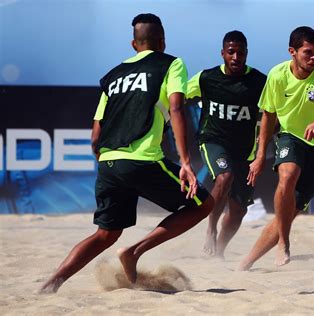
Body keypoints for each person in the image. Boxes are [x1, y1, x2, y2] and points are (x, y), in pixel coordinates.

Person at [40, 13, 214, 293]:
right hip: (143, 159)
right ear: (163, 41)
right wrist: (185, 161)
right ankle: (134, 251)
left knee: (105, 234)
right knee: (204, 204)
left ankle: (52, 284)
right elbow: (178, 109)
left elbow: (96, 134)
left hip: (109, 162)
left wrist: (108, 165)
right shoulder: (171, 63)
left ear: (134, 44)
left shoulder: (113, 76)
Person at [238, 26, 314, 270]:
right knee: (287, 175)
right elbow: (269, 115)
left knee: (289, 213)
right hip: (291, 136)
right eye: (307, 52)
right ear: (292, 52)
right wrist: (260, 154)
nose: (313, 58)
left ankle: (244, 264)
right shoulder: (277, 75)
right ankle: (284, 242)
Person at [186, 31, 267, 258]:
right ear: (222, 53)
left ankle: (219, 251)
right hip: (213, 140)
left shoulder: (260, 82)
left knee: (239, 210)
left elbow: (275, 110)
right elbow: (176, 95)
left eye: (240, 53)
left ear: (246, 54)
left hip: (244, 151)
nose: (235, 57)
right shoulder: (207, 78)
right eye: (231, 52)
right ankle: (210, 228)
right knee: (224, 176)